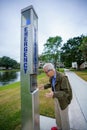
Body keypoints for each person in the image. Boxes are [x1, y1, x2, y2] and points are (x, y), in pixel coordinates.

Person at [39, 63, 72, 130]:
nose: (46, 74)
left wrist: (54, 94)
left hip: (63, 100)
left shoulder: (63, 77)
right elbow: (51, 84)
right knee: (58, 115)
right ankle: (59, 128)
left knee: (64, 118)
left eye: (46, 72)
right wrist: (44, 86)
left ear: (51, 70)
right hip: (56, 98)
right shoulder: (52, 77)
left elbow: (66, 92)